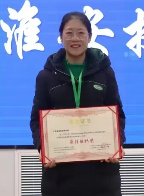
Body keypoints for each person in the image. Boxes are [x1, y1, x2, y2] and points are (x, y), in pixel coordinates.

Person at [30, 11, 126, 196]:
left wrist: (117, 144)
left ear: (89, 36)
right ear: (61, 37)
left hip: (101, 175)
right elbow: (36, 119)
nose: (75, 38)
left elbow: (118, 115)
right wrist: (43, 148)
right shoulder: (46, 76)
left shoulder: (105, 73)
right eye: (69, 33)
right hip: (59, 176)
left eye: (81, 33)